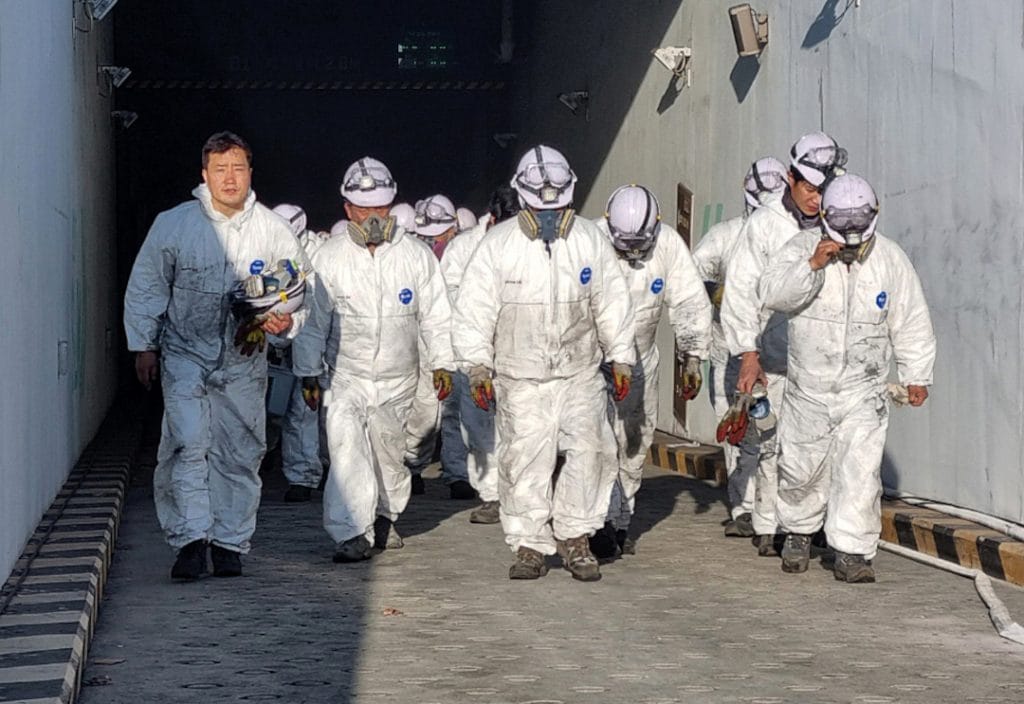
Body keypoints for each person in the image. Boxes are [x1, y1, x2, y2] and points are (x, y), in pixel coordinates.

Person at [124, 131, 307, 580]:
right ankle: (190, 540)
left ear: (250, 172)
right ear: (204, 174)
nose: (230, 178)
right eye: (220, 169)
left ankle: (229, 542)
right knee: (187, 444)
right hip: (185, 352)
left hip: (244, 360)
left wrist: (284, 324)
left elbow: (302, 290)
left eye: (238, 168)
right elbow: (148, 285)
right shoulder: (174, 224)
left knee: (240, 451)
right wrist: (143, 344)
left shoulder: (273, 230)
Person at [453, 145, 636, 582]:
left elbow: (611, 300)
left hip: (579, 373)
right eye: (542, 206)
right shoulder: (497, 247)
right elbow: (475, 309)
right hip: (522, 378)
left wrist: (621, 355)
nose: (551, 216)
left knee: (591, 452)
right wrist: (477, 365)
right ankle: (531, 543)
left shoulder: (590, 240)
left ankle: (575, 537)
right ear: (523, 199)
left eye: (559, 205)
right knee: (525, 461)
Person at [759, 173, 935, 582]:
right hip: (809, 387)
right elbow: (772, 293)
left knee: (860, 472)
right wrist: (813, 266)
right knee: (802, 467)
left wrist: (917, 373)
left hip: (864, 388)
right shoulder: (802, 248)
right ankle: (799, 532)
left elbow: (910, 319)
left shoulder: (890, 260)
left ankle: (852, 551)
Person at [292, 157, 455, 562]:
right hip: (345, 374)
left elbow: (436, 313)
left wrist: (443, 362)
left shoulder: (416, 256)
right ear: (347, 209)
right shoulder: (328, 258)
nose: (373, 217)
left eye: (381, 209)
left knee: (388, 454)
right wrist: (308, 371)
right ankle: (350, 533)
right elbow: (313, 321)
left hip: (398, 377)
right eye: (364, 210)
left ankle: (384, 516)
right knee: (347, 452)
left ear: (392, 205)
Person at [720, 131, 847, 556]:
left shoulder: (839, 219)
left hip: (820, 357)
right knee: (772, 442)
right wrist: (748, 354)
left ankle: (811, 525)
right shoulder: (764, 226)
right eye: (810, 189)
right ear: (791, 178)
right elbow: (739, 291)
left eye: (824, 189)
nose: (817, 198)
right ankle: (769, 525)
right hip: (771, 356)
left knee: (818, 446)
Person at [591, 185, 712, 558]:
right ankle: (596, 522)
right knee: (594, 444)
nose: (630, 252)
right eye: (622, 244)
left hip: (642, 362)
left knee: (633, 444)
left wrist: (692, 355)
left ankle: (620, 520)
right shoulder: (587, 241)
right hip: (593, 364)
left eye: (637, 244)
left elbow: (690, 300)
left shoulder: (669, 246)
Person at [692, 157, 787, 537]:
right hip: (732, 352)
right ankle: (744, 507)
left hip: (781, 353)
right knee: (743, 431)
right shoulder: (724, 235)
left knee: (781, 434)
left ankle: (776, 509)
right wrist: (719, 297)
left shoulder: (791, 233)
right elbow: (691, 274)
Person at [440, 186, 521, 524]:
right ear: (492, 220)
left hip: (518, 349)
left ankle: (519, 493)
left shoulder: (530, 243)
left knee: (522, 423)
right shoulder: (462, 249)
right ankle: (491, 495)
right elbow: (447, 305)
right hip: (474, 352)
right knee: (478, 424)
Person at [402, 193, 475, 499]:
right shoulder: (411, 254)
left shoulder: (469, 253)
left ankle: (457, 474)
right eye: (426, 235)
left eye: (439, 234)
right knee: (424, 407)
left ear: (452, 228)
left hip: (460, 337)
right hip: (425, 338)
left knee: (457, 410)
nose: (433, 241)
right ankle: (412, 464)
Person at [269, 204, 331, 502]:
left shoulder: (320, 255)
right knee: (276, 410)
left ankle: (307, 475)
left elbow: (316, 313)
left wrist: (310, 363)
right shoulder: (269, 248)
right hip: (279, 341)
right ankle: (292, 469)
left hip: (314, 343)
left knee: (307, 412)